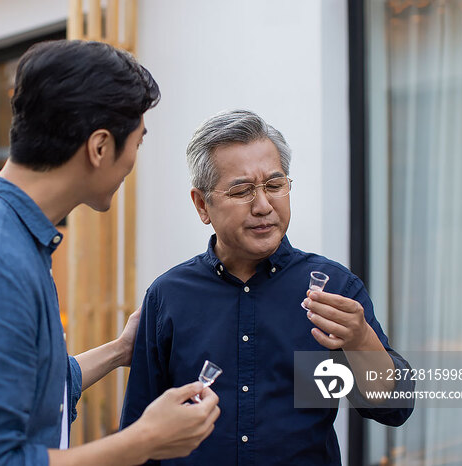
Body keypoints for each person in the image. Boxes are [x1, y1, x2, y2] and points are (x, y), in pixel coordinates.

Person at [0, 40, 220, 466]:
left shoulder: (5, 234)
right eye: (138, 142)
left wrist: (119, 351)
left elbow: (32, 390)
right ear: (99, 148)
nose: (135, 158)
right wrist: (145, 440)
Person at [120, 110, 414, 465]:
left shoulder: (334, 288)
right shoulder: (168, 296)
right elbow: (137, 434)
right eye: (242, 190)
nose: (263, 206)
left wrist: (360, 340)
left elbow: (392, 408)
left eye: (275, 186)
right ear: (202, 205)